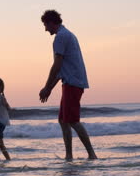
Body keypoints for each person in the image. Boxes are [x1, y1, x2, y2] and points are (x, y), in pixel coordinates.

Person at [38, 10, 97, 161]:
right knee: (63, 120)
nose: (45, 29)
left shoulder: (61, 37)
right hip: (71, 81)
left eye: (45, 25)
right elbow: (62, 68)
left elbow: (57, 65)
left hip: (73, 82)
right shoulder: (67, 35)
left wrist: (46, 87)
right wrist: (50, 89)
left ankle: (91, 154)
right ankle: (69, 155)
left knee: (72, 120)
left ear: (52, 22)